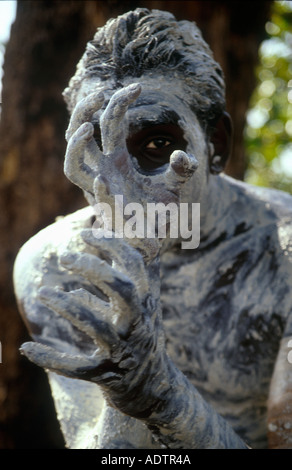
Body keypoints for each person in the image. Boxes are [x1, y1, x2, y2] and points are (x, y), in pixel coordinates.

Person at [13, 8, 292, 449]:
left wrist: (161, 395)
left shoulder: (282, 251)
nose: (121, 189)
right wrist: (129, 398)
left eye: (157, 143)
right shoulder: (55, 263)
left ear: (216, 145)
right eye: (98, 146)